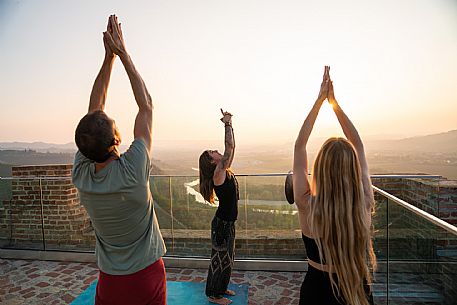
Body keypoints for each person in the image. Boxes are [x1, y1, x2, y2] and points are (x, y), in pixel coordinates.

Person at [72, 15, 166, 305]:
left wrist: (107, 59)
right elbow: (146, 105)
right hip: (146, 274)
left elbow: (94, 110)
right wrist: (122, 53)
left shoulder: (82, 175)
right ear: (116, 140)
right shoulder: (133, 170)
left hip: (110, 279)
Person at [293, 66, 376, 305]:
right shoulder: (364, 202)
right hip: (357, 289)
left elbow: (300, 146)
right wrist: (334, 103)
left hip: (316, 292)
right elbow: (358, 145)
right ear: (353, 171)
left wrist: (320, 101)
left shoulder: (307, 204)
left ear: (320, 169)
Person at [199, 109, 238, 305]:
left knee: (227, 259)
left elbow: (233, 147)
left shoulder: (224, 169)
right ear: (212, 161)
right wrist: (227, 123)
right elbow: (229, 147)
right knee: (219, 260)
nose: (215, 150)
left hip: (227, 222)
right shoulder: (218, 173)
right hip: (222, 224)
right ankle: (213, 295)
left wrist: (229, 124)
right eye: (211, 152)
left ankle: (221, 289)